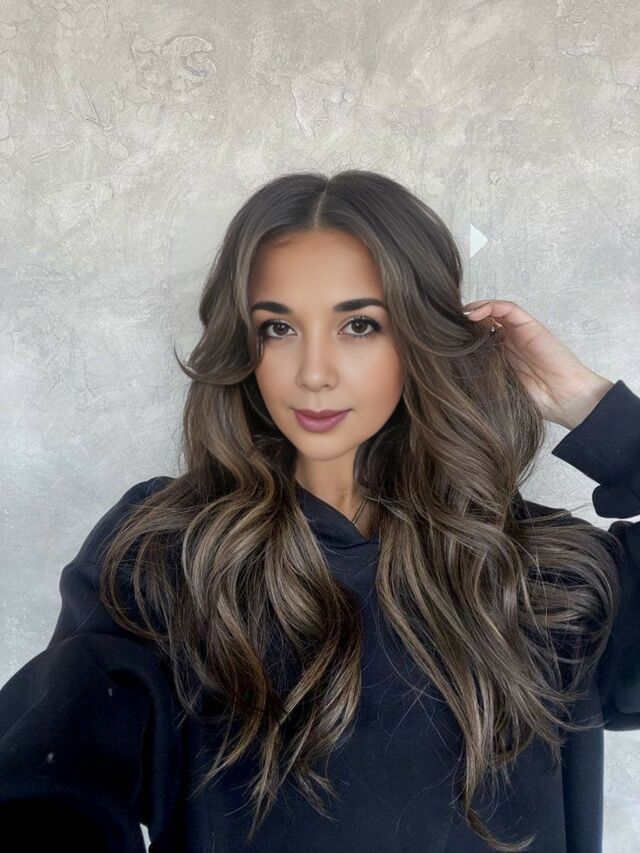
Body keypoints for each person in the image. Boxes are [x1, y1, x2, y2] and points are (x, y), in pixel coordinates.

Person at [0, 170, 638, 853]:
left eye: (359, 325)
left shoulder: (542, 568)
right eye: (278, 328)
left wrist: (591, 405)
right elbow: (52, 777)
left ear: (420, 336)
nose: (313, 372)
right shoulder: (170, 551)